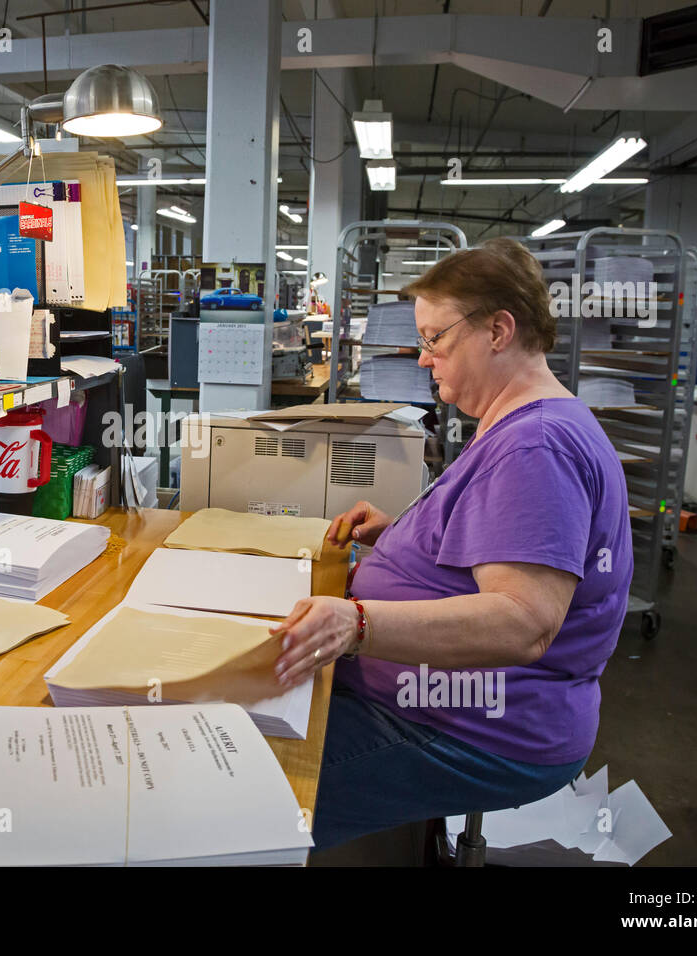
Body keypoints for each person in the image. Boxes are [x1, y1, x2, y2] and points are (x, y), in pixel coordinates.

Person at [270, 237, 633, 852]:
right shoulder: (524, 422)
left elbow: (523, 622)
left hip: (479, 727)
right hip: (446, 702)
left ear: (498, 330)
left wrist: (354, 623)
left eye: (436, 338)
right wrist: (406, 539)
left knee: (236, 785)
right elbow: (504, 544)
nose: (422, 357)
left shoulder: (536, 444)